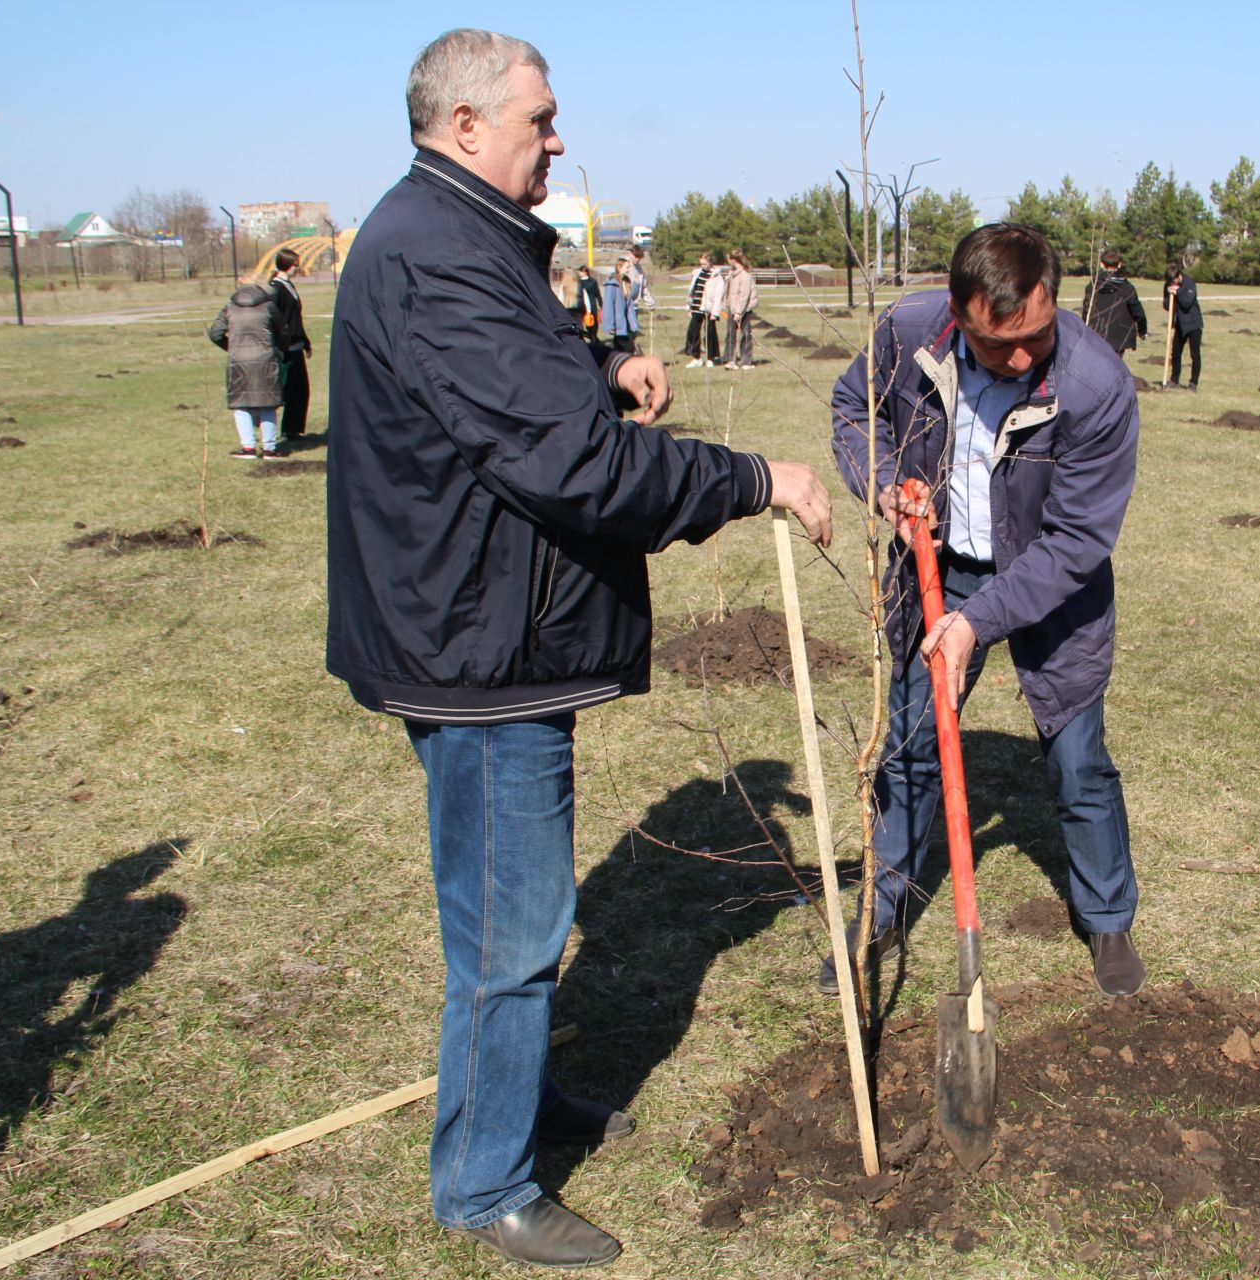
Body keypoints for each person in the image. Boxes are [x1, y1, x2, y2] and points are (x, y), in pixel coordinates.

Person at [324, 28, 831, 1269]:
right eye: (540, 119)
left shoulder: (458, 241)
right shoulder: (436, 254)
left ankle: (511, 1098)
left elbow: (513, 390)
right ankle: (485, 1176)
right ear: (464, 128)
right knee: (511, 929)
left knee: (502, 917)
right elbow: (570, 466)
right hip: (480, 647)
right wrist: (756, 477)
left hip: (485, 624)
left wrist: (602, 364)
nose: (558, 137)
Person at [826, 222, 1144, 1001]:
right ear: (959, 317)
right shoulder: (908, 333)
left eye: (1037, 336)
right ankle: (884, 907)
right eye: (1000, 346)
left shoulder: (1096, 385)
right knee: (911, 746)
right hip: (942, 569)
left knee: (1078, 761)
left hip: (1050, 587)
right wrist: (886, 485)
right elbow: (852, 408)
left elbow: (1074, 542)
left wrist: (975, 623)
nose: (1023, 358)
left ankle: (1107, 918)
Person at [207, 279, 289, 459]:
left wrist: (231, 347)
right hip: (266, 359)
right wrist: (280, 349)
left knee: (241, 404)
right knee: (268, 403)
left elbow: (215, 333)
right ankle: (270, 448)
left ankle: (248, 447)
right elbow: (283, 332)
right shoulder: (268, 306)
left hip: (238, 360)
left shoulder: (230, 307)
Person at [268, 249, 314, 442]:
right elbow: (274, 317)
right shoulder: (276, 287)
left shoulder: (289, 286)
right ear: (288, 264)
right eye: (296, 263)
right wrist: (278, 343)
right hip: (284, 348)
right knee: (286, 390)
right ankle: (275, 431)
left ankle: (292, 429)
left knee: (301, 390)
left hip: (296, 345)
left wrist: (305, 342)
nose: (298, 267)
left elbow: (296, 318)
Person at [1081, 248, 1147, 355]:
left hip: (1097, 335)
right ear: (1119, 264)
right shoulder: (1127, 288)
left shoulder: (1092, 287)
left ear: (1102, 264)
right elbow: (1138, 312)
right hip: (1119, 338)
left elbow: (1086, 311)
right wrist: (1142, 330)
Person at [1163, 265, 1203, 390]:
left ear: (1178, 276)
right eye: (1169, 282)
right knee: (1175, 353)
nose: (1170, 283)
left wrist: (1178, 292)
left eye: (1172, 281)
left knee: (1194, 354)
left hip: (1194, 323)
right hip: (1179, 324)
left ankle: (1193, 383)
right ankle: (1174, 380)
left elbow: (1187, 303)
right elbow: (1166, 305)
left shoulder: (1189, 282)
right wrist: (1169, 295)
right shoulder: (1168, 285)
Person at [723, 248, 757, 370]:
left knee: (745, 335)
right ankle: (730, 359)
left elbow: (744, 295)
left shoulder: (745, 276)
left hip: (744, 310)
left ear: (733, 260)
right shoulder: (732, 274)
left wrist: (738, 312)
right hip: (732, 309)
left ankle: (746, 361)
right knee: (730, 335)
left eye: (728, 260)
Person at [600, 255, 639, 353]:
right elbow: (608, 306)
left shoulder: (626, 283)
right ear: (620, 267)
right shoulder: (612, 285)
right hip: (619, 324)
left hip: (627, 324)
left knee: (626, 349)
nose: (628, 269)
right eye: (627, 267)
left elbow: (630, 301)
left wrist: (637, 284)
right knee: (626, 348)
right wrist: (610, 325)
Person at [682, 252, 714, 365]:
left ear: (710, 263)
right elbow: (692, 291)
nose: (703, 266)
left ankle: (711, 358)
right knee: (693, 332)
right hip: (696, 307)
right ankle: (696, 358)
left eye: (705, 264)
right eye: (701, 264)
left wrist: (715, 309)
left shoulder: (714, 275)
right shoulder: (697, 273)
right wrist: (689, 307)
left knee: (710, 333)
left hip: (708, 308)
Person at [573, 264, 602, 338]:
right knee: (593, 321)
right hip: (592, 303)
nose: (579, 273)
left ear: (585, 272)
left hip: (582, 304)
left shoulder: (579, 283)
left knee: (585, 321)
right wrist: (601, 303)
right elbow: (597, 294)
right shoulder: (593, 281)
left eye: (580, 272)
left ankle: (590, 336)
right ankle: (593, 336)